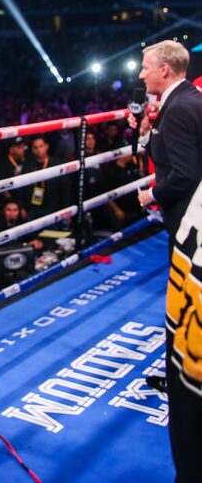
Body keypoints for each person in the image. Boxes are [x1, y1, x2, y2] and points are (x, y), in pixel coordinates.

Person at [131, 40, 202, 483]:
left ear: (163, 69)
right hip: (194, 221)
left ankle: (183, 368)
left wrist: (150, 193)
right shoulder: (189, 100)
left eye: (144, 67)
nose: (140, 75)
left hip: (189, 223)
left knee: (183, 299)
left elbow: (185, 174)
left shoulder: (179, 108)